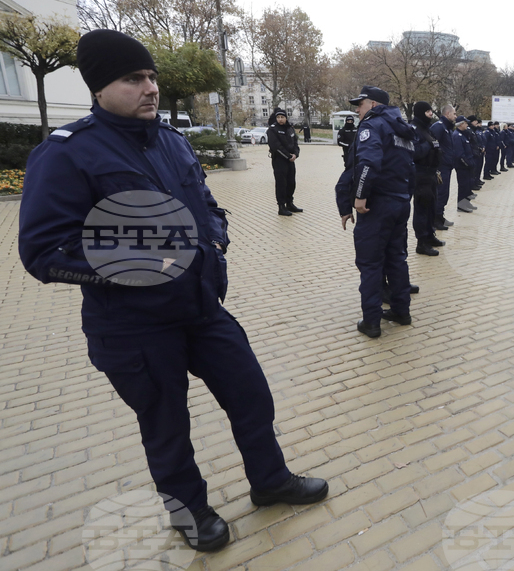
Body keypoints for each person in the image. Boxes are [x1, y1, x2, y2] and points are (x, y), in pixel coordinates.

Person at [18, 29, 328, 553]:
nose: (150, 88)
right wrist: (135, 265)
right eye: (133, 79)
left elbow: (205, 202)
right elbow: (44, 251)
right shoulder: (67, 154)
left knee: (251, 395)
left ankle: (270, 480)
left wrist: (217, 239)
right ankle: (190, 511)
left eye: (151, 76)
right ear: (99, 88)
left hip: (202, 308)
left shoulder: (171, 140)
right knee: (166, 425)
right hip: (133, 324)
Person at [336, 86, 416, 338]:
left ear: (372, 104)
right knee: (397, 258)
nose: (357, 111)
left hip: (377, 205)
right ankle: (401, 311)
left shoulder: (373, 125)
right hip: (400, 202)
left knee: (370, 263)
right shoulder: (402, 128)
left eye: (359, 105)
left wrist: (359, 197)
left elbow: (368, 163)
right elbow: (411, 168)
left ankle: (371, 322)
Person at [410, 101, 445, 256]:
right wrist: (429, 146)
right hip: (420, 174)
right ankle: (422, 242)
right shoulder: (414, 129)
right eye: (427, 111)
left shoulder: (427, 129)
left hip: (431, 173)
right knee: (422, 209)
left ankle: (430, 235)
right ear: (420, 113)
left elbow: (436, 146)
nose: (431, 113)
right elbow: (414, 152)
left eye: (431, 111)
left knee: (431, 206)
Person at [267, 108, 302, 216]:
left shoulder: (290, 129)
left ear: (286, 118)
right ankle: (281, 206)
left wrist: (295, 154)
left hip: (291, 160)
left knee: (291, 183)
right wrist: (288, 156)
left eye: (282, 117)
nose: (280, 119)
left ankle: (289, 203)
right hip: (279, 160)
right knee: (281, 184)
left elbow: (295, 143)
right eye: (278, 117)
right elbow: (275, 146)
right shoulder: (272, 129)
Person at [431, 106, 457, 230]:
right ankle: (435, 219)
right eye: (454, 114)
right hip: (441, 166)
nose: (455, 116)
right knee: (440, 193)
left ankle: (440, 216)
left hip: (447, 166)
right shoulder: (439, 127)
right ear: (447, 113)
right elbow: (432, 145)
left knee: (444, 193)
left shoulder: (447, 128)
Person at [453, 116, 476, 213]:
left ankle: (466, 202)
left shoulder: (463, 134)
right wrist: (467, 164)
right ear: (461, 124)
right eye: (466, 123)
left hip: (467, 166)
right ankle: (461, 206)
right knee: (463, 186)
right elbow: (460, 155)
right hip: (462, 166)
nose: (467, 125)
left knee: (467, 186)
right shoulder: (457, 136)